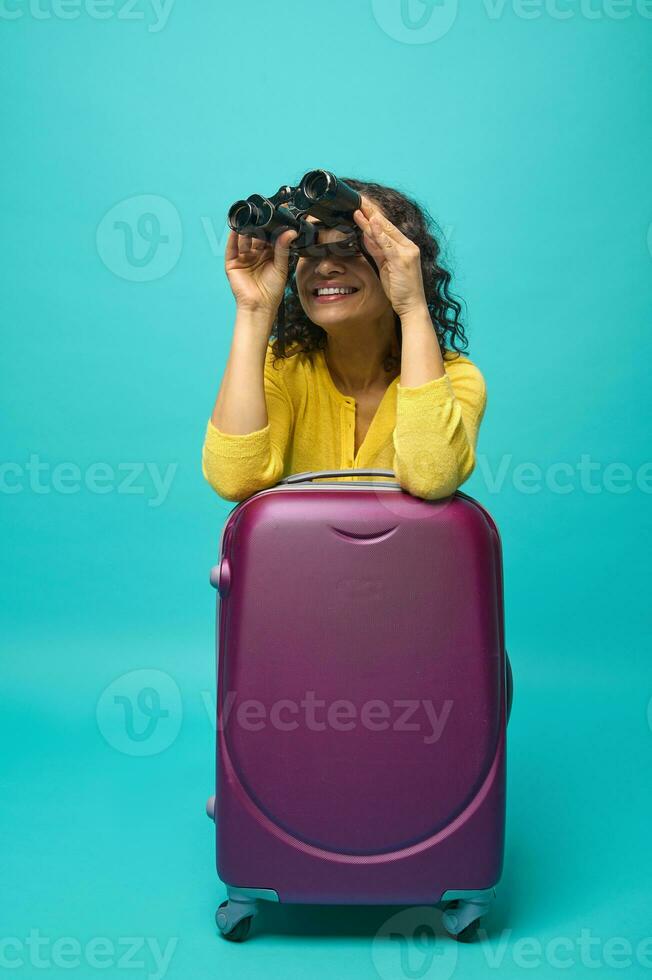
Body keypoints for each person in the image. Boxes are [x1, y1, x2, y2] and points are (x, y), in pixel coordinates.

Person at [201, 177, 487, 503]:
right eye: (307, 249)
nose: (324, 267)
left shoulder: (457, 379)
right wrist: (254, 310)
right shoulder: (280, 368)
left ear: (400, 263)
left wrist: (412, 306)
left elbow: (431, 476)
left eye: (350, 247)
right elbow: (234, 478)